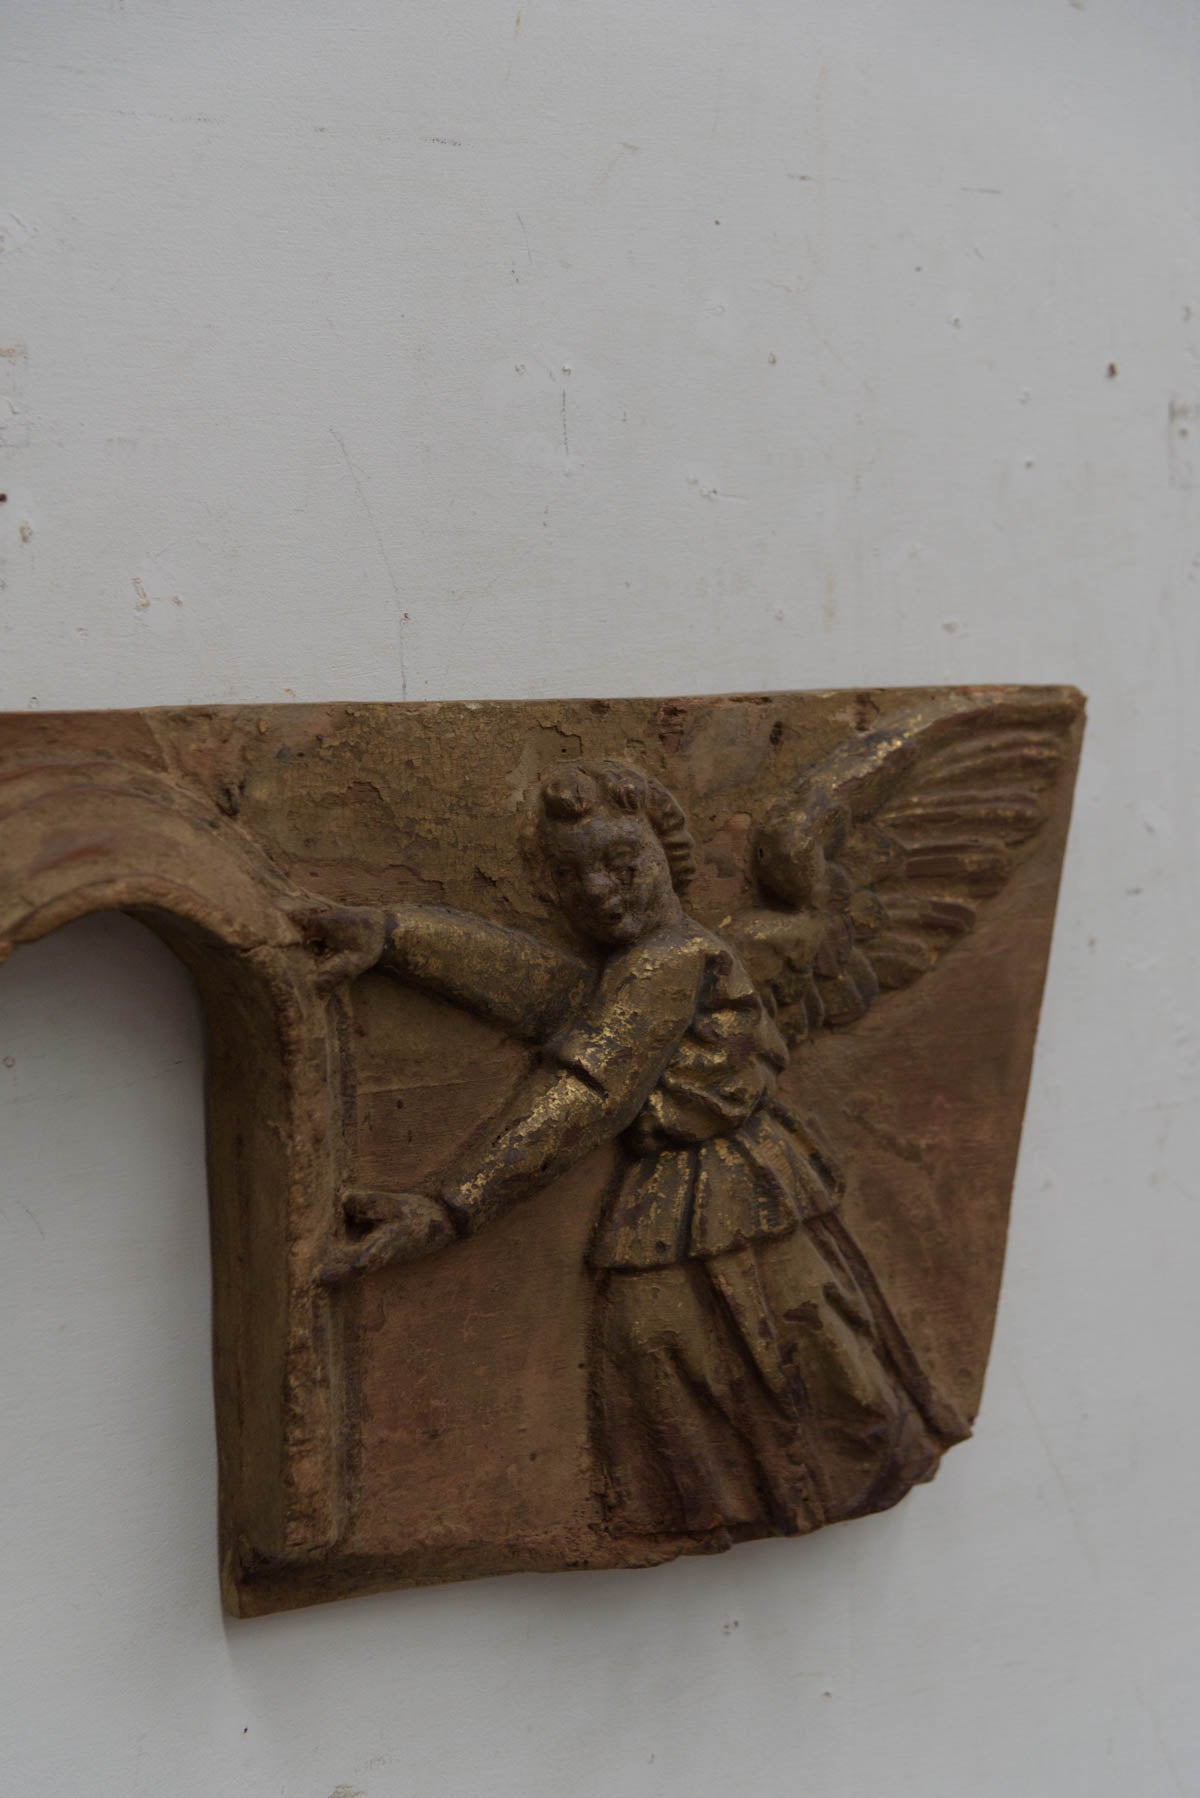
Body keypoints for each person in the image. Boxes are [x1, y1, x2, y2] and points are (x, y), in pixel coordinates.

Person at [310, 759, 964, 1544]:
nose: (598, 890)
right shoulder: (634, 971)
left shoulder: (673, 962)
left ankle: (780, 1492)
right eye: (571, 876)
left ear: (670, 859)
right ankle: (759, 1498)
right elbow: (534, 987)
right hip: (684, 1190)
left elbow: (592, 1091)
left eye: (622, 864)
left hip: (731, 1191)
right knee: (676, 1348)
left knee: (759, 1345)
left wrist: (450, 1207)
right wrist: (394, 936)